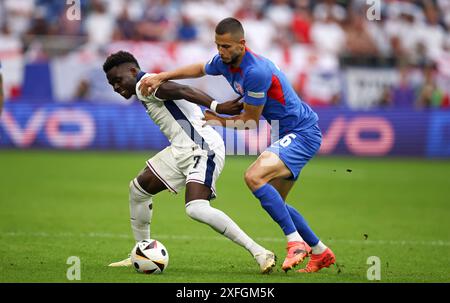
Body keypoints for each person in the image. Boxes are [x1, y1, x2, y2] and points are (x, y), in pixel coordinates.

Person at [139, 18, 336, 273]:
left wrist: (217, 120)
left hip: (302, 132)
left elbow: (250, 122)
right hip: (286, 133)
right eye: (218, 45)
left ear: (242, 44)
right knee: (277, 202)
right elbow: (200, 68)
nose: (221, 51)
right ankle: (320, 251)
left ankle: (295, 243)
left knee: (253, 176)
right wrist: (162, 76)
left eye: (227, 46)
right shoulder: (225, 62)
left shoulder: (256, 72)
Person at [103, 51, 276, 274]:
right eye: (111, 84)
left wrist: (217, 106)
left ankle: (260, 252)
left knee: (196, 208)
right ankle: (139, 250)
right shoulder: (148, 83)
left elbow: (182, 90)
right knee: (138, 189)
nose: (116, 87)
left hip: (202, 148)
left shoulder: (145, 84)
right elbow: (178, 92)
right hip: (181, 149)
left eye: (118, 80)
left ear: (133, 71)